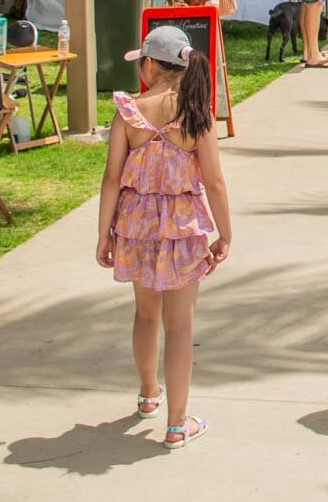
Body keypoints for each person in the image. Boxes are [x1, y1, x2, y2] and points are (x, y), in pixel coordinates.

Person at [97, 27, 233, 448]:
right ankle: (177, 424)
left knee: (145, 315)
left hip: (136, 228)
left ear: (150, 65)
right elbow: (214, 181)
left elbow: (111, 178)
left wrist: (103, 235)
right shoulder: (196, 113)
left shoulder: (128, 111)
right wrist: (224, 234)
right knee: (179, 326)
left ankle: (147, 394)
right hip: (182, 230)